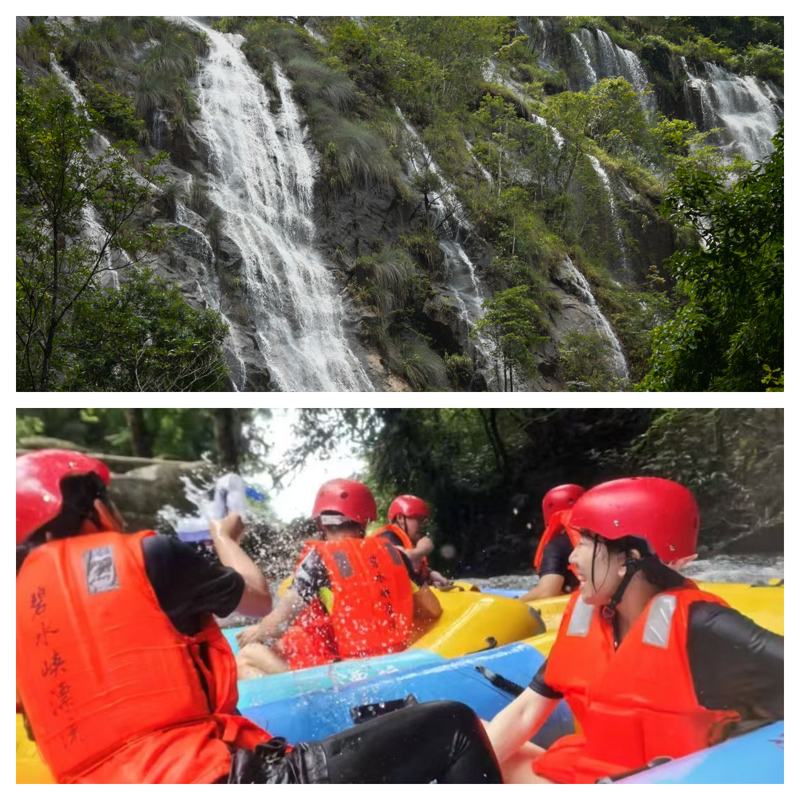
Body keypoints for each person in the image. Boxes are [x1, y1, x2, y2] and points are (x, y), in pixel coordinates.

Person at [16, 450, 502, 784]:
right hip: (214, 775)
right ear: (91, 508)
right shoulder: (148, 557)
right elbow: (256, 597)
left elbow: (267, 618)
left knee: (249, 652)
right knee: (453, 724)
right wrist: (227, 539)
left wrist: (254, 636)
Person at [485, 477, 784, 784]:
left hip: (672, 781)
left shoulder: (703, 625)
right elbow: (525, 712)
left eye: (586, 543)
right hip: (592, 771)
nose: (573, 558)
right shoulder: (588, 618)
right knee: (466, 730)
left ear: (631, 559)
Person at [236, 479, 443, 677]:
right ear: (364, 522)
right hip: (396, 660)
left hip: (349, 674)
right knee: (286, 644)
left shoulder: (318, 561)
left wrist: (259, 632)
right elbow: (432, 609)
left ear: (321, 524)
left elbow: (277, 625)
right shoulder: (393, 554)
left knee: (248, 655)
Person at [520, 484, 585, 602]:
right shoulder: (600, 536)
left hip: (581, 608)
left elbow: (547, 591)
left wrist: (513, 603)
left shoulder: (557, 545)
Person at [374, 494, 453, 588]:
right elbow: (399, 559)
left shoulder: (407, 540)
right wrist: (421, 550)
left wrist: (430, 575)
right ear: (400, 518)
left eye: (423, 520)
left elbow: (412, 570)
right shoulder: (387, 537)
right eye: (418, 519)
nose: (422, 525)